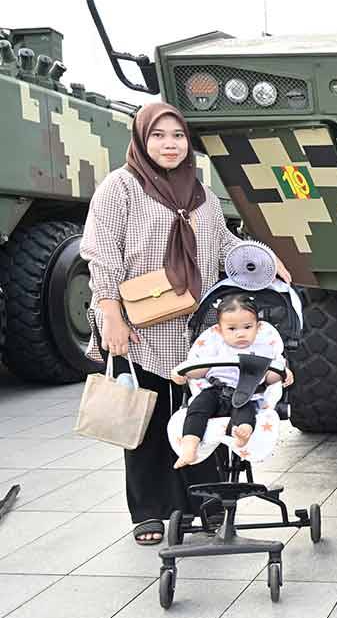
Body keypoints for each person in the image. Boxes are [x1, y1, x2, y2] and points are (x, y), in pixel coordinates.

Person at [81, 103, 291, 545]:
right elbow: (100, 251)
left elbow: (223, 244)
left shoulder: (201, 194)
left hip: (194, 333)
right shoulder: (120, 188)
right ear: (141, 139)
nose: (169, 144)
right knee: (148, 420)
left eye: (177, 135)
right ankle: (151, 513)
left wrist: (267, 263)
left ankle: (206, 504)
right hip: (141, 325)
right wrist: (110, 313)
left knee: (203, 414)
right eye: (158, 135)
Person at [170, 294, 293, 468]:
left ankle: (243, 433)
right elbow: (199, 370)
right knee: (197, 409)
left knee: (245, 414)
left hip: (246, 394)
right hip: (213, 391)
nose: (240, 333)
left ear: (257, 328)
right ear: (219, 330)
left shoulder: (263, 349)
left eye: (247, 327)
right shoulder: (214, 347)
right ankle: (189, 447)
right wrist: (183, 373)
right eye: (232, 328)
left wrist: (282, 374)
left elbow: (269, 377)